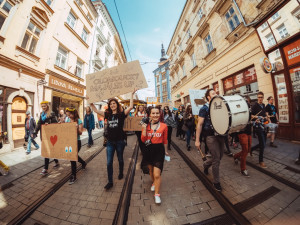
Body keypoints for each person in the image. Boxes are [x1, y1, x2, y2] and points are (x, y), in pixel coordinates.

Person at [89, 89, 137, 190]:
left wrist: (132, 94)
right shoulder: (107, 114)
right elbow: (96, 111)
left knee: (120, 159)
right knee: (109, 162)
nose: (112, 105)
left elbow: (131, 107)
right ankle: (110, 181)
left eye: (114, 103)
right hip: (110, 142)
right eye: (111, 104)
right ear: (109, 106)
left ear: (117, 105)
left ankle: (120, 172)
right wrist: (91, 102)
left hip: (120, 141)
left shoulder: (121, 114)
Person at [195, 89, 224, 192]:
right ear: (208, 97)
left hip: (220, 135)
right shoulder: (204, 108)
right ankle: (216, 182)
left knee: (220, 156)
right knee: (216, 158)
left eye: (216, 93)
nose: (216, 94)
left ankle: (206, 164)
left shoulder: (219, 106)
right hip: (210, 136)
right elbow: (199, 124)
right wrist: (197, 140)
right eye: (213, 93)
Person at [141, 106, 169, 204]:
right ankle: (153, 183)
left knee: (157, 174)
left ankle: (157, 194)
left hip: (158, 151)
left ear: (160, 114)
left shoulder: (164, 126)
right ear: (150, 115)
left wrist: (165, 151)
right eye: (153, 113)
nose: (155, 115)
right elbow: (143, 140)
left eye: (157, 113)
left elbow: (165, 140)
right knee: (151, 171)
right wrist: (144, 130)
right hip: (148, 150)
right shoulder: (146, 125)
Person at [33, 101, 59, 176]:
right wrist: (35, 132)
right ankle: (56, 162)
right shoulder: (42, 114)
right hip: (43, 135)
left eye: (44, 106)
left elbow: (56, 124)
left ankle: (46, 169)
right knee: (49, 150)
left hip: (51, 136)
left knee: (47, 151)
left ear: (47, 106)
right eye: (42, 106)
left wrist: (49, 125)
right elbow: (39, 124)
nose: (43, 107)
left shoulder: (52, 113)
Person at [65, 108, 87, 184]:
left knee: (73, 158)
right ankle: (83, 163)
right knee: (74, 156)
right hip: (70, 141)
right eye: (67, 115)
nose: (69, 116)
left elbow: (80, 133)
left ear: (74, 113)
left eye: (70, 114)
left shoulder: (79, 121)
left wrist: (77, 128)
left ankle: (73, 176)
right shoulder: (67, 120)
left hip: (77, 142)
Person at [250, 92, 270, 168]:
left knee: (263, 143)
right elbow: (251, 115)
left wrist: (266, 117)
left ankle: (251, 149)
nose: (260, 98)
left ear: (263, 97)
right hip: (258, 127)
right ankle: (261, 161)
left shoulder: (264, 105)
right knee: (263, 144)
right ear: (257, 97)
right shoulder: (255, 105)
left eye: (261, 97)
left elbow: (264, 114)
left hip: (264, 126)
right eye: (259, 97)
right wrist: (258, 117)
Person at [233, 96, 252, 177]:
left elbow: (250, 119)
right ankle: (243, 169)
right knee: (245, 151)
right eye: (245, 102)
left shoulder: (249, 108)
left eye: (247, 102)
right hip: (242, 132)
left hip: (249, 132)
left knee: (248, 150)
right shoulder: (239, 109)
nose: (247, 103)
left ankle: (236, 156)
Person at [134, 104, 148, 174]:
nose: (140, 108)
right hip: (138, 130)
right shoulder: (136, 114)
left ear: (143, 108)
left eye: (142, 107)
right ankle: (142, 150)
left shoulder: (145, 114)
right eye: (139, 107)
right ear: (138, 108)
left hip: (144, 129)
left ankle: (144, 150)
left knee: (144, 140)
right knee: (140, 141)